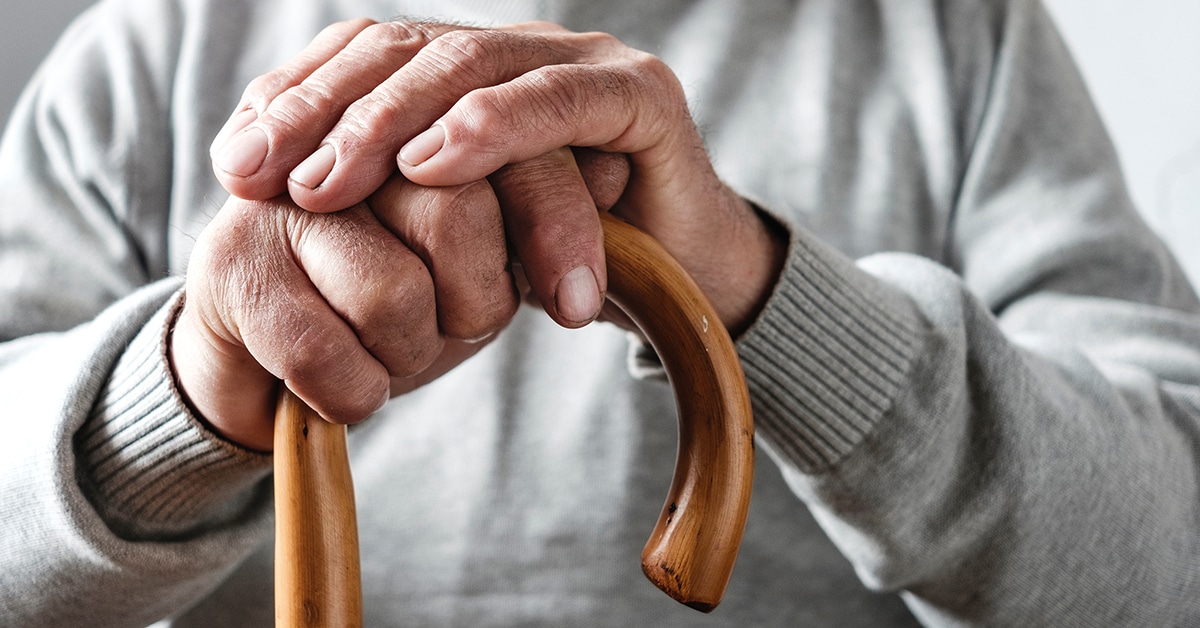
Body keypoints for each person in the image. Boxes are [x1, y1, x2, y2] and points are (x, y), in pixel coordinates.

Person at [1, 0, 1197, 625]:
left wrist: (762, 294)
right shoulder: (146, 57)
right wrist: (183, 392)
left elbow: (1172, 564)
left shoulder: (957, 36)